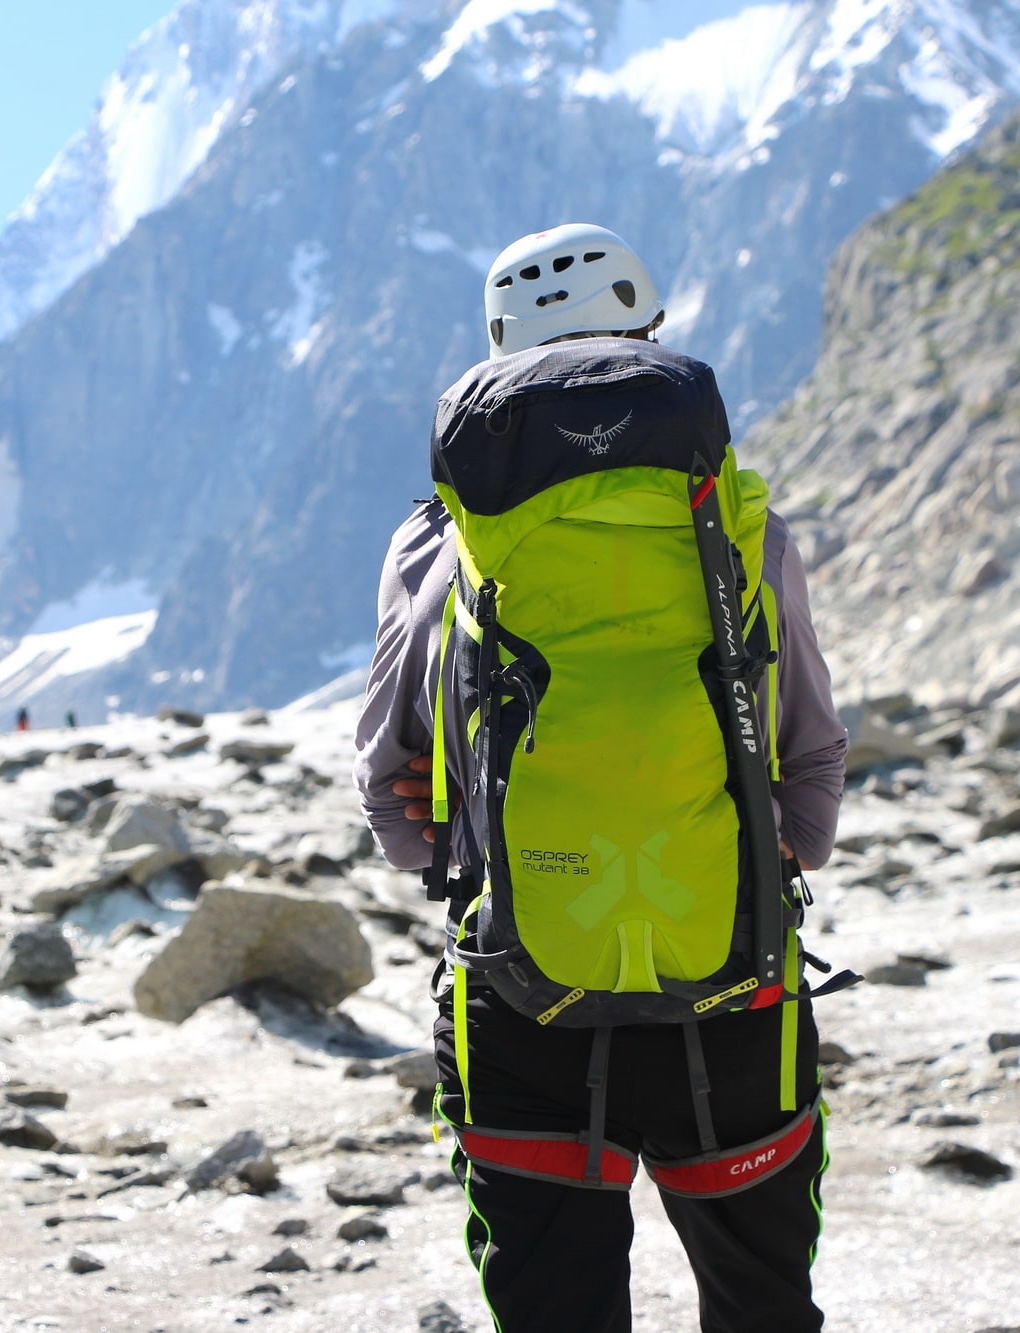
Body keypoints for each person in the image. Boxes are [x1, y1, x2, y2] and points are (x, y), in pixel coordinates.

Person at [354, 223, 849, 1333]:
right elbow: (809, 751)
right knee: (761, 1308)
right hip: (731, 982)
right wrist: (771, 855)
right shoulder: (734, 524)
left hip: (517, 991)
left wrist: (468, 861)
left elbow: (391, 779)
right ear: (646, 332)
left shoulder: (436, 544)